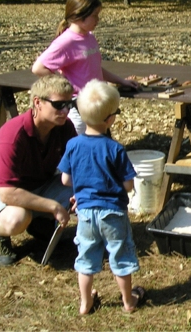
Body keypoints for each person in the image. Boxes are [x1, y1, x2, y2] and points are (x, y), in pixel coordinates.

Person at [58, 79, 145, 315]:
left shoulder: (73, 145)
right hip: (113, 213)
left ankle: (85, 303)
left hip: (85, 214)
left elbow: (66, 180)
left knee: (86, 259)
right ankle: (128, 301)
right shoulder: (114, 148)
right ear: (110, 119)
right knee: (120, 257)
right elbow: (127, 185)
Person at [0, 74, 77, 266]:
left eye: (70, 104)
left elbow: (78, 167)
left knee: (88, 188)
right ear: (38, 102)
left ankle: (40, 225)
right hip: (1, 194)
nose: (65, 110)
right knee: (17, 219)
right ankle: (0, 235)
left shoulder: (65, 127)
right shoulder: (12, 136)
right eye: (59, 105)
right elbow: (8, 193)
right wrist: (54, 206)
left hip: (42, 185)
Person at [32, 0, 138, 135]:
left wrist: (122, 81)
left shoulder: (90, 37)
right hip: (78, 106)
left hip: (96, 102)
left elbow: (95, 69)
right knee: (80, 146)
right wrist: (66, 85)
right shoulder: (66, 42)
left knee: (98, 143)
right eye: (94, 16)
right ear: (80, 17)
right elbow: (38, 68)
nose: (98, 20)